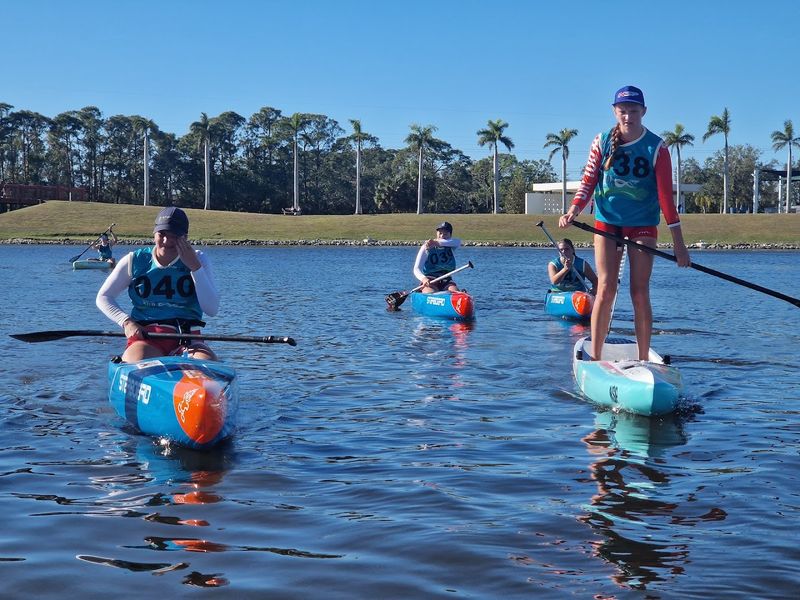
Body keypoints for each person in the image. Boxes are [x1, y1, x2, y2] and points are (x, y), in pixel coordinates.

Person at [559, 85, 690, 361]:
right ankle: (595, 358)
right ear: (614, 111)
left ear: (644, 111)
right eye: (623, 111)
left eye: (633, 111)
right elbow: (588, 181)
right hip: (608, 223)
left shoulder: (657, 147)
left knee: (639, 291)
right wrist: (574, 210)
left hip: (642, 224)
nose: (628, 116)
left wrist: (679, 245)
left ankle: (644, 361)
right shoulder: (602, 140)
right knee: (605, 288)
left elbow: (666, 198)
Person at [96, 207, 220, 363]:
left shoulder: (198, 259)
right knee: (137, 358)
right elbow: (104, 297)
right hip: (147, 338)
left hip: (189, 341)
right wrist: (126, 322)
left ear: (185, 237)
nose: (167, 241)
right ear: (154, 233)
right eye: (162, 234)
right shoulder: (135, 260)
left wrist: (195, 268)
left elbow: (212, 309)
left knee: (207, 363)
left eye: (174, 236)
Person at [413, 221, 461, 293]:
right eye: (440, 233)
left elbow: (457, 242)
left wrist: (437, 243)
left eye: (445, 234)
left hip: (446, 279)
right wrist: (423, 279)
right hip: (430, 280)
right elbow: (416, 269)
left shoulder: (452, 245)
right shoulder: (427, 246)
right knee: (430, 292)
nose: (442, 236)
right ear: (437, 233)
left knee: (455, 292)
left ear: (450, 235)